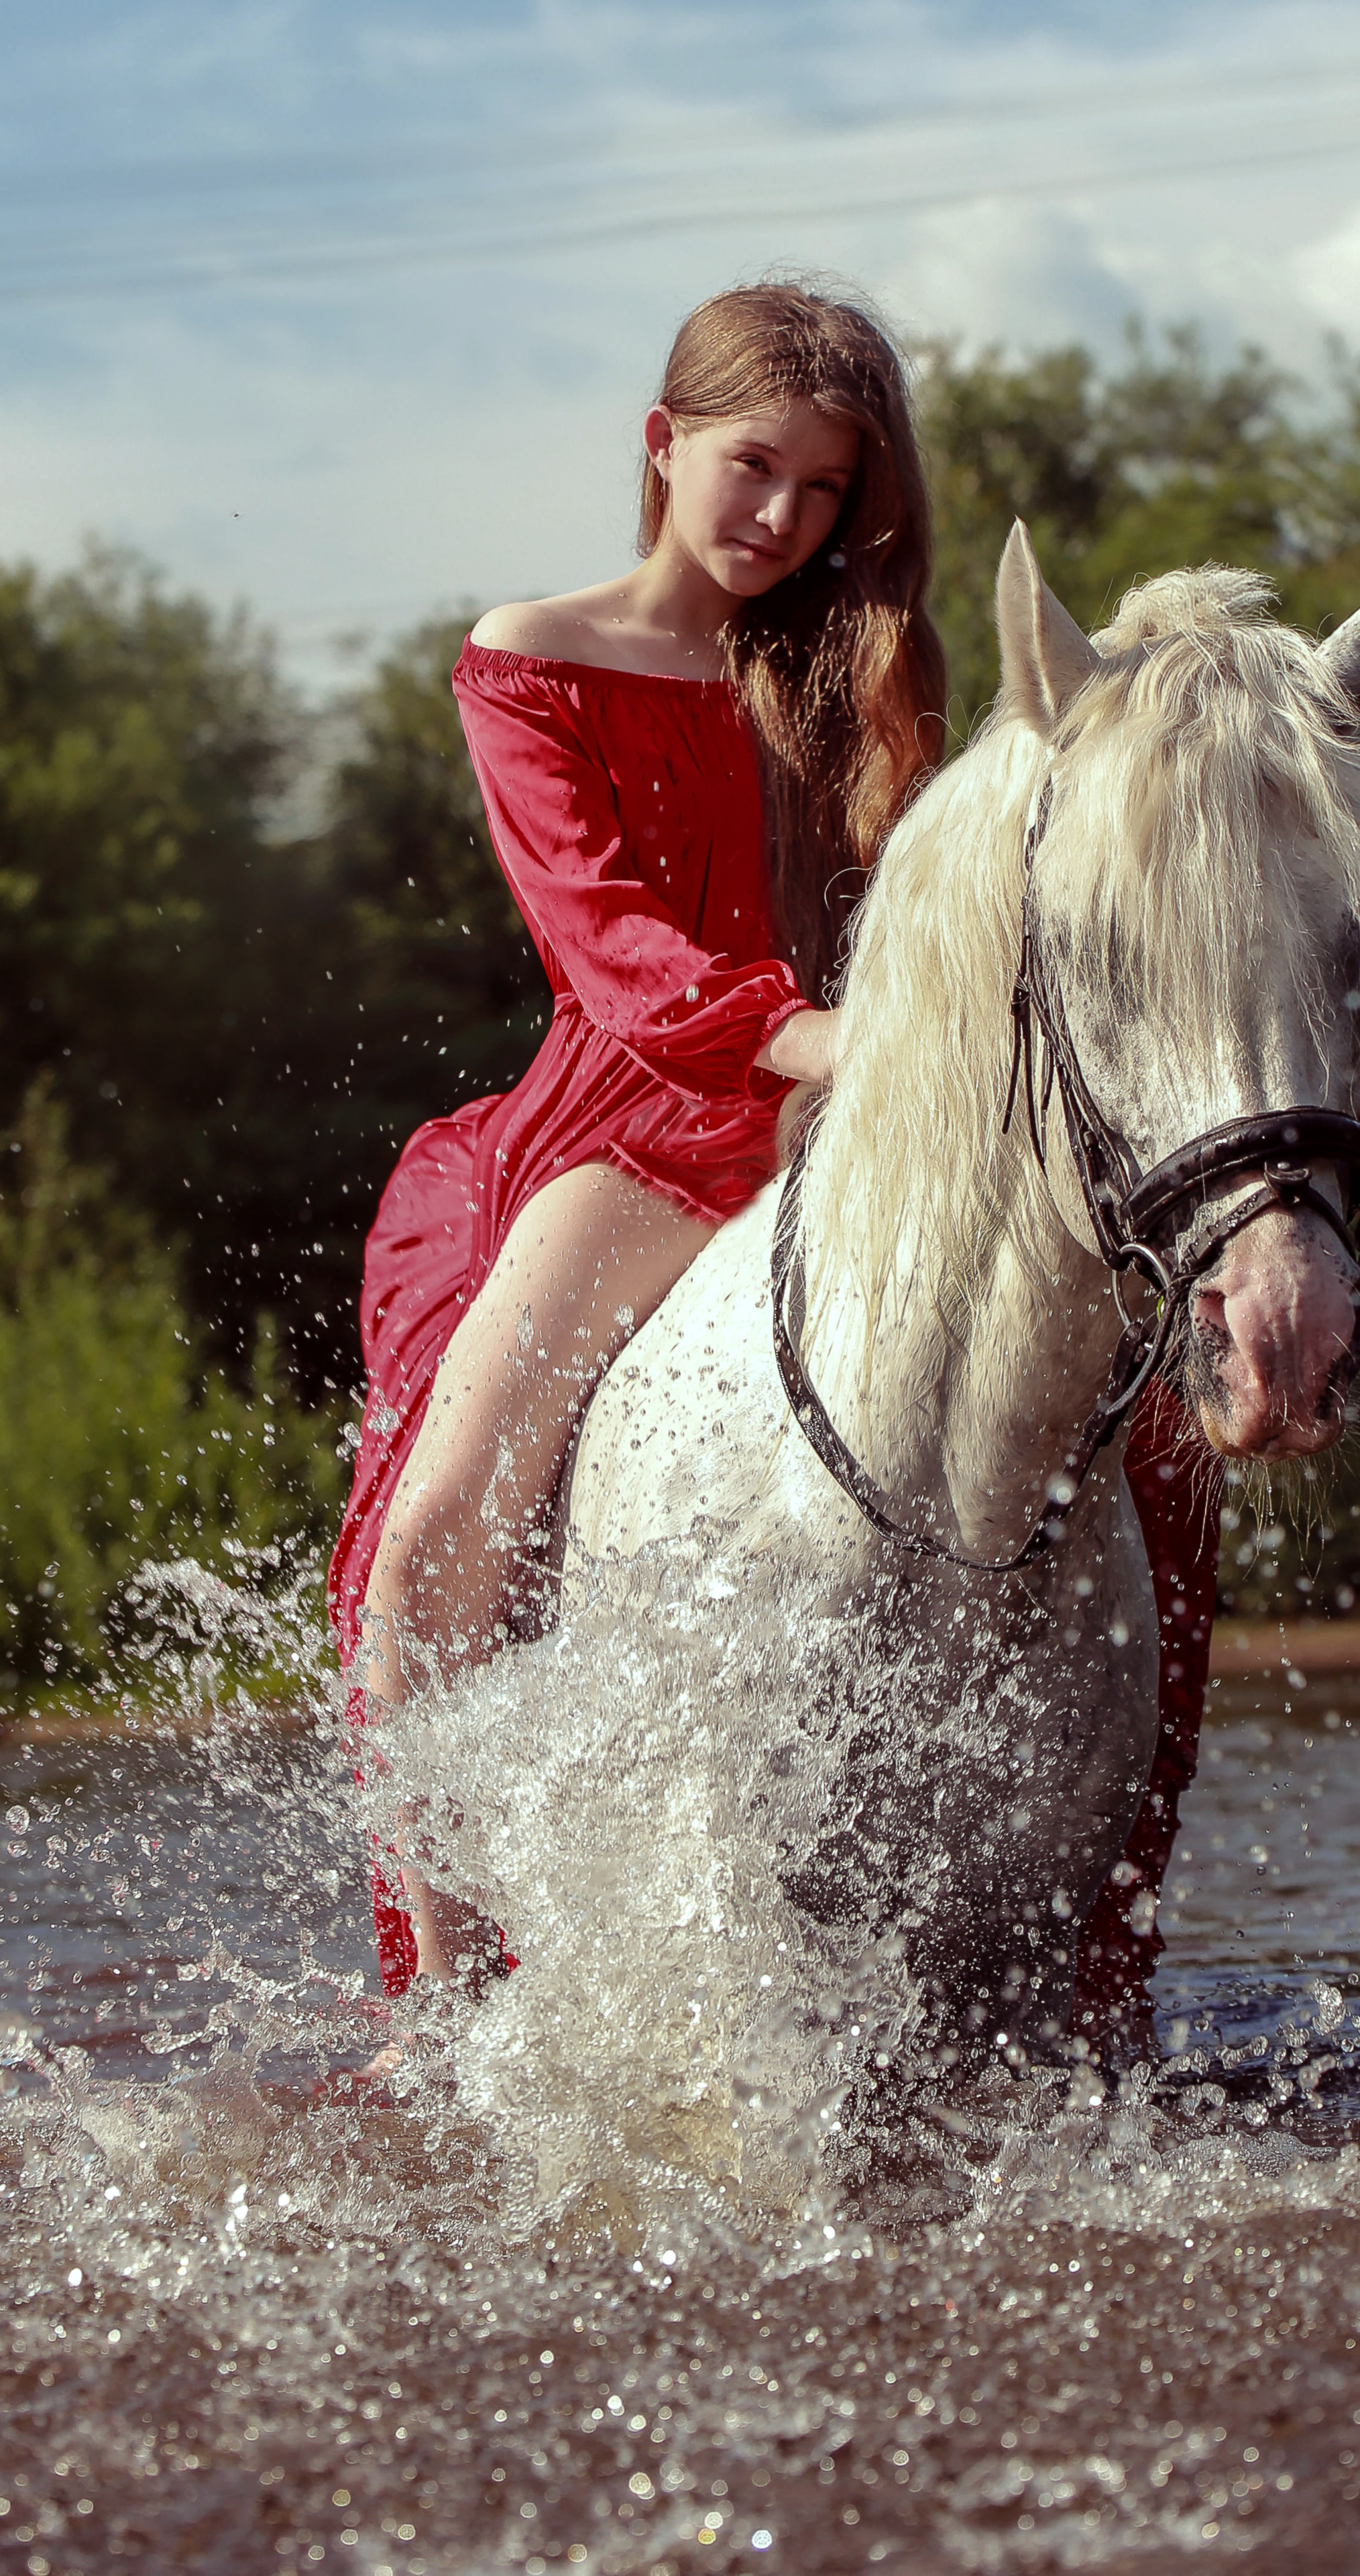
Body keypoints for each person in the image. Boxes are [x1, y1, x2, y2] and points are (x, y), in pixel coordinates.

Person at [327, 281, 948, 1995]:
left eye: (827, 491)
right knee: (439, 1534)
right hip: (646, 1114)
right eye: (756, 466)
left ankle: (1096, 1939)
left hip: (867, 1098)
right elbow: (605, 944)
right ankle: (448, 2000)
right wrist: (826, 1041)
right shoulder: (532, 654)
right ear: (660, 443)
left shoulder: (847, 665)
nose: (782, 519)